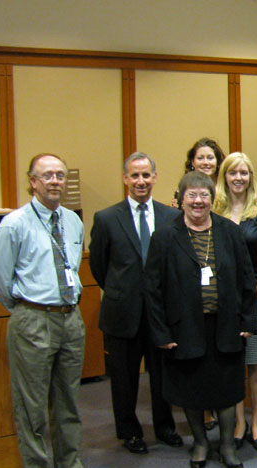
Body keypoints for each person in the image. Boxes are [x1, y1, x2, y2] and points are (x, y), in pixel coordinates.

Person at [145, 171, 257, 468]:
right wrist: (161, 332)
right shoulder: (165, 236)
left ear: (212, 198)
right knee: (190, 389)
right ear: (181, 200)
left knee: (227, 390)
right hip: (184, 329)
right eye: (191, 195)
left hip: (226, 326)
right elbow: (152, 289)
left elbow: (247, 279)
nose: (198, 201)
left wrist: (248, 322)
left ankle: (228, 446)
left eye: (204, 195)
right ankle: (200, 443)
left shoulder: (229, 232)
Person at [0, 154, 85, 468]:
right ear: (33, 181)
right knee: (31, 406)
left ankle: (69, 462)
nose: (55, 181)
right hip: (33, 319)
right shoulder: (14, 224)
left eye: (60, 175)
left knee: (68, 403)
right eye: (47, 175)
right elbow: (1, 280)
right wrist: (28, 309)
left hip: (71, 319)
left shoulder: (73, 220)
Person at [89, 152, 183, 454]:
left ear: (154, 178)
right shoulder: (106, 218)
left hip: (160, 314)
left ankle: (165, 427)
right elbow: (99, 266)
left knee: (162, 377)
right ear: (125, 178)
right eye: (135, 175)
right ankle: (129, 432)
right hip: (122, 313)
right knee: (124, 378)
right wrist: (122, 290)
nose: (141, 181)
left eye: (146, 175)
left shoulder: (171, 216)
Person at [214, 152, 257, 452]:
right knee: (231, 363)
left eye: (244, 172)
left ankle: (255, 422)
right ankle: (238, 422)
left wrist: (254, 295)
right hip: (224, 301)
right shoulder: (215, 210)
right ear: (224, 177)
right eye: (232, 173)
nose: (238, 178)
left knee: (255, 363)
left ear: (250, 177)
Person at [172, 137, 226, 208]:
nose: (206, 162)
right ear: (193, 162)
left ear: (217, 161)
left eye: (210, 158)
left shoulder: (227, 188)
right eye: (200, 158)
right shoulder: (183, 190)